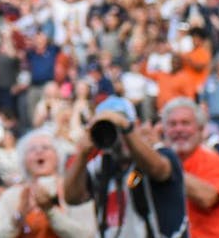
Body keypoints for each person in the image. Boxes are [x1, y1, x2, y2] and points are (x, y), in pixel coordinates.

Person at [64, 97, 186, 238]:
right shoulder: (101, 167)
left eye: (121, 129)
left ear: (136, 125)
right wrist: (83, 153)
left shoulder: (159, 154)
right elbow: (72, 198)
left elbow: (157, 170)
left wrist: (126, 128)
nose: (119, 136)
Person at [0, 128, 95, 238]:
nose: (39, 151)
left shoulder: (72, 189)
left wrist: (50, 211)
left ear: (58, 156)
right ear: (24, 160)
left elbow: (88, 234)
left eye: (46, 148)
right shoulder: (13, 196)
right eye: (32, 149)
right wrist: (17, 219)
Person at [162, 99, 219, 238]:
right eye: (172, 124)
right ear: (164, 130)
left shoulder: (217, 163)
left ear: (201, 129)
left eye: (185, 123)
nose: (178, 129)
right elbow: (132, 182)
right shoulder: (157, 162)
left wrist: (164, 167)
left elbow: (208, 198)